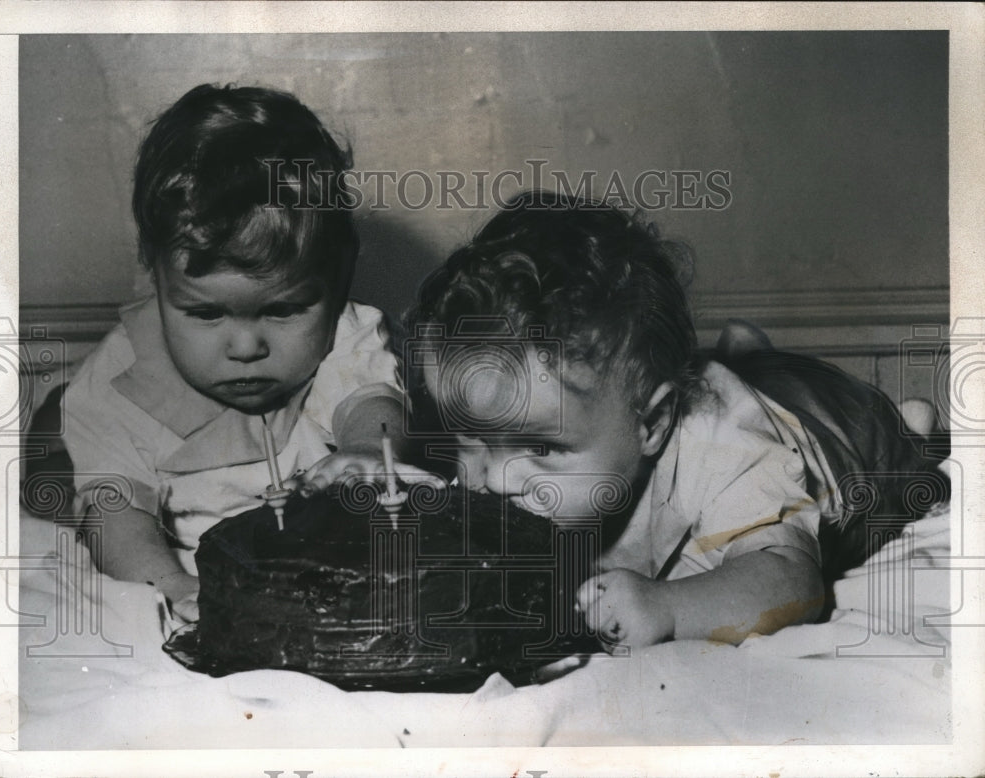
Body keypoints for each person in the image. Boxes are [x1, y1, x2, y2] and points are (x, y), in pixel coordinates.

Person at [405, 190, 944, 650]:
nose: (494, 479)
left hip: (840, 439)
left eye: (541, 449)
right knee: (735, 372)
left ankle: (905, 429)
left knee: (885, 459)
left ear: (653, 424)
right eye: (470, 440)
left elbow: (792, 582)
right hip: (705, 387)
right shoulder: (531, 457)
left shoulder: (723, 454)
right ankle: (740, 356)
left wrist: (667, 607)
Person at [63, 84, 430, 621]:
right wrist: (170, 586)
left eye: (284, 311)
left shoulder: (344, 333)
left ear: (335, 276)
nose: (246, 347)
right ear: (156, 275)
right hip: (190, 576)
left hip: (337, 571)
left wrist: (370, 457)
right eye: (206, 314)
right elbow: (114, 514)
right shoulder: (117, 382)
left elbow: (371, 405)